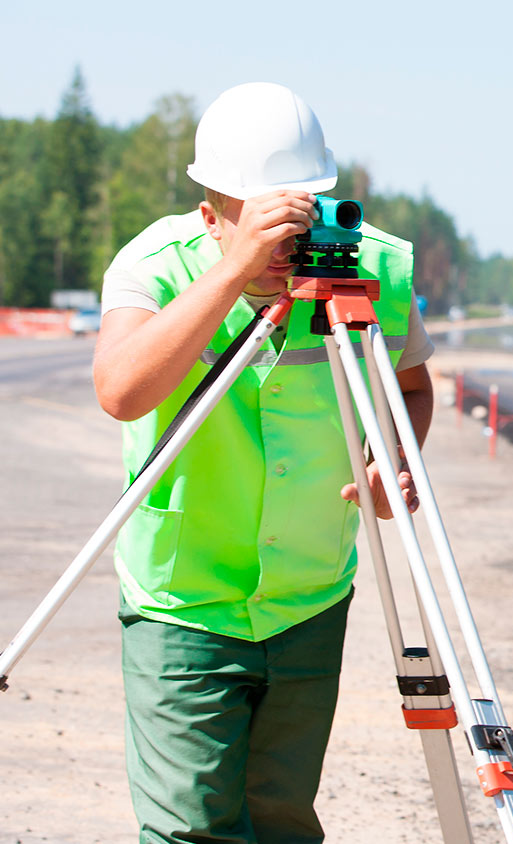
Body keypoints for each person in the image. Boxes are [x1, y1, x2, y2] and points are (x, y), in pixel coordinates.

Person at [92, 82, 435, 844]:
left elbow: (411, 387)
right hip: (184, 601)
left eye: (297, 215)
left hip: (308, 596)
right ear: (210, 214)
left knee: (281, 824)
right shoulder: (154, 265)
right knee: (190, 828)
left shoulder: (372, 269)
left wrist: (391, 456)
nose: (284, 248)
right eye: (259, 223)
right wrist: (230, 274)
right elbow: (120, 391)